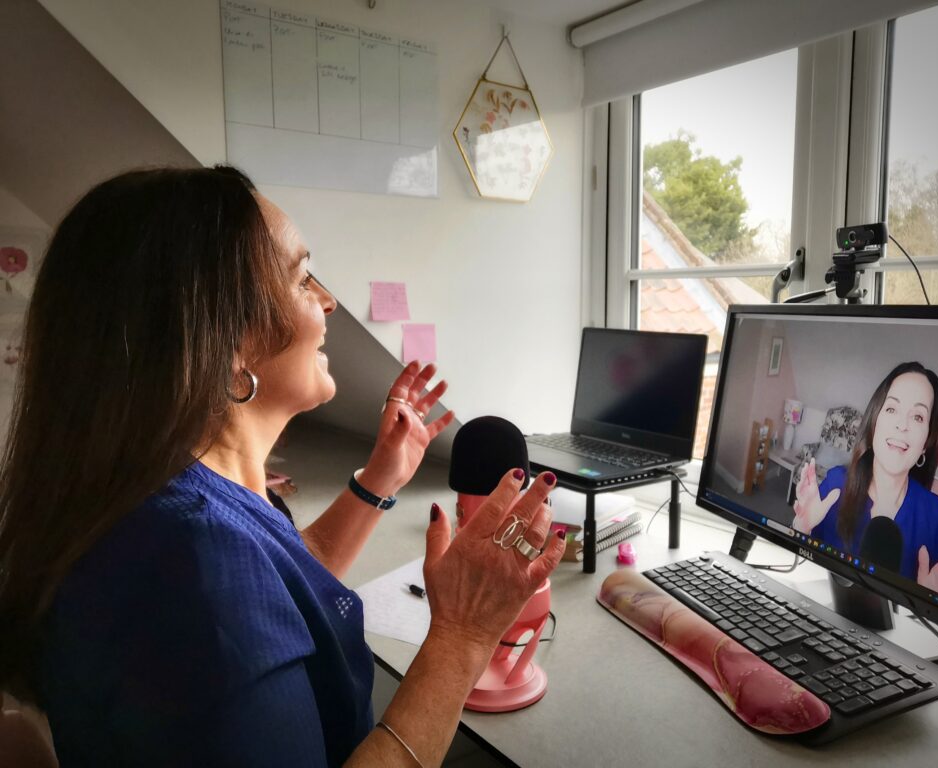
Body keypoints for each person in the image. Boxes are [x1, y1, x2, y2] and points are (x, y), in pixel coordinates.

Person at [0, 166, 566, 767]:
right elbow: (235, 601)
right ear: (230, 340)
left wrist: (382, 478)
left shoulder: (178, 493)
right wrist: (463, 638)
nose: (328, 300)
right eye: (302, 279)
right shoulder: (192, 564)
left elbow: (280, 592)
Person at [791, 362, 938, 600]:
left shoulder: (937, 515)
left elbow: (936, 612)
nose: (902, 425)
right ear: (875, 421)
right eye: (892, 409)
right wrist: (801, 529)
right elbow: (801, 578)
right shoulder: (835, 484)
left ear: (927, 440)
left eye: (917, 416)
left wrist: (933, 603)